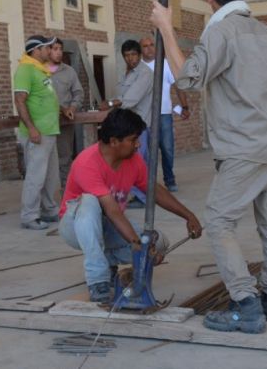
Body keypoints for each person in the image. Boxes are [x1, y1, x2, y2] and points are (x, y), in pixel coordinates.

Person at [151, 0, 267, 334]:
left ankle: (246, 304)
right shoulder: (265, 33)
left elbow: (188, 78)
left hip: (243, 149)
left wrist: (166, 27)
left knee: (218, 221)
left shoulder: (221, 31)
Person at [58, 108, 203, 302]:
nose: (138, 144)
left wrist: (188, 215)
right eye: (133, 139)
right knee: (90, 202)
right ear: (114, 141)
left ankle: (108, 262)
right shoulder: (87, 162)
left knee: (158, 243)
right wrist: (137, 244)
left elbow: (155, 190)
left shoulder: (133, 160)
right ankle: (98, 280)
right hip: (75, 227)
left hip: (107, 226)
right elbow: (112, 210)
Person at [14, 35, 61, 230]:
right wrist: (32, 128)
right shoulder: (25, 69)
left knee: (50, 176)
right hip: (38, 133)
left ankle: (49, 210)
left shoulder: (39, 70)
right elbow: (20, 100)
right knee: (35, 176)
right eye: (47, 48)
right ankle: (29, 216)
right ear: (36, 50)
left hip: (49, 131)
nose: (50, 51)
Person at [99, 40, 153, 208]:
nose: (131, 59)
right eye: (127, 55)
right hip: (128, 123)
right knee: (138, 160)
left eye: (134, 55)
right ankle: (142, 195)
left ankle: (143, 198)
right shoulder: (127, 73)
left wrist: (109, 104)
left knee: (138, 160)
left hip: (140, 123)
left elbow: (131, 98)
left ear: (140, 55)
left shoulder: (145, 73)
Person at [139, 36, 190, 192]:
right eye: (145, 46)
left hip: (164, 114)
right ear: (140, 49)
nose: (149, 48)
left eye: (151, 45)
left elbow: (178, 86)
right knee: (144, 151)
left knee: (167, 148)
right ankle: (148, 184)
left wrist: (185, 106)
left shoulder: (165, 65)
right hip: (143, 116)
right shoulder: (138, 67)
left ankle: (170, 180)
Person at [47, 38, 84, 187]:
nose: (58, 53)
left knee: (65, 158)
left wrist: (72, 108)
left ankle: (67, 194)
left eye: (60, 49)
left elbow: (78, 93)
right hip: (45, 123)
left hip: (65, 122)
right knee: (47, 160)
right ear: (47, 51)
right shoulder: (39, 71)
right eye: (55, 49)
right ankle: (48, 199)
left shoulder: (69, 71)